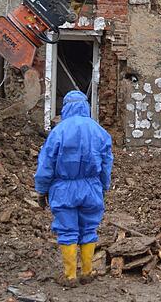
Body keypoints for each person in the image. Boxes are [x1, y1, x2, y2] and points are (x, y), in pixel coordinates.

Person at [34, 90, 113, 286]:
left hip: (64, 189)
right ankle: (87, 271)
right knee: (89, 228)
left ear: (66, 107)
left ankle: (70, 276)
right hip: (91, 187)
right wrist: (103, 186)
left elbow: (46, 165)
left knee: (67, 231)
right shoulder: (99, 131)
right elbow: (106, 164)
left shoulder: (58, 132)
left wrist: (41, 190)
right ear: (85, 107)